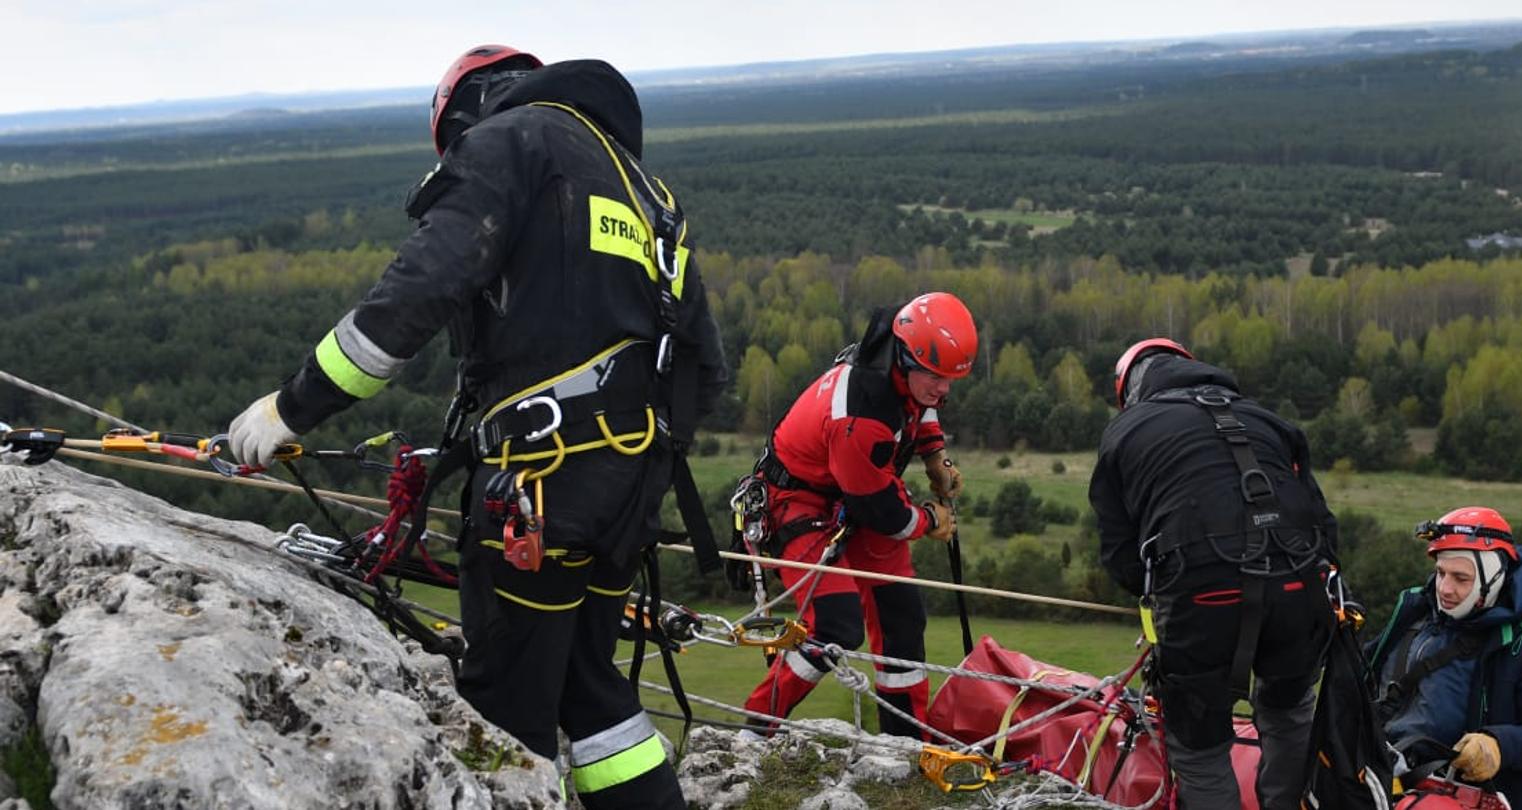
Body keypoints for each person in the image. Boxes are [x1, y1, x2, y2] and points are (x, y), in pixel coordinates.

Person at [224, 45, 729, 809]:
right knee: (592, 688)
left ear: (465, 110)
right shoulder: (646, 192)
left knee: (507, 702)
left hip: (542, 488)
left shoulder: (510, 141)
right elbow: (707, 366)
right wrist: (623, 459)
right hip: (630, 487)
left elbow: (420, 290)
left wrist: (292, 407)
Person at [1089, 338, 1337, 809]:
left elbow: (1120, 552)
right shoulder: (1268, 421)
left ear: (1130, 390)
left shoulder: (1125, 431)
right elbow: (1321, 523)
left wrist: (1161, 603)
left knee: (1200, 746)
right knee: (1289, 712)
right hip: (1296, 577)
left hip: (1200, 588)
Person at [740, 292, 974, 739]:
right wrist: (930, 519)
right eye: (936, 376)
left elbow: (918, 404)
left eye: (951, 379)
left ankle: (904, 741)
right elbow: (884, 513)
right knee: (836, 625)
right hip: (797, 502)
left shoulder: (898, 361)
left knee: (900, 615)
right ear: (906, 357)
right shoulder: (862, 415)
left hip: (851, 490)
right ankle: (757, 728)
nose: (944, 389)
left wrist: (934, 455)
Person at [1366, 507, 1522, 810]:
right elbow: (1358, 676)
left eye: (1461, 578)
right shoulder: (1412, 619)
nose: (1445, 589)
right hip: (1377, 778)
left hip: (1454, 795)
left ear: (1492, 581)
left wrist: (1498, 744)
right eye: (1440, 573)